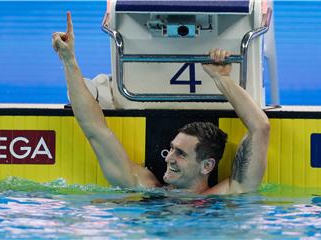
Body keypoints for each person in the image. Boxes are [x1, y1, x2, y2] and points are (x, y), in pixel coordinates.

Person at [52, 12, 270, 195]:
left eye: (181, 154)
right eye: (173, 149)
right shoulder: (145, 186)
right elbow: (96, 130)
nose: (169, 158)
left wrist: (221, 79)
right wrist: (69, 60)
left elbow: (260, 127)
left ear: (207, 166)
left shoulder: (228, 194)